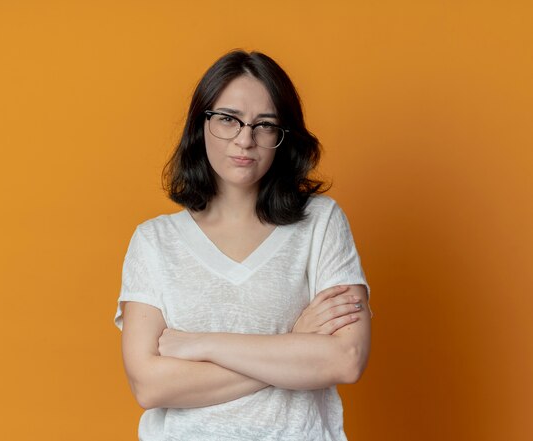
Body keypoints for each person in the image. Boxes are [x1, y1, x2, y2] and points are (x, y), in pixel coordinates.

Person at [114, 50, 371, 441]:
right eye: (229, 119)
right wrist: (294, 348)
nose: (245, 139)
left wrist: (200, 345)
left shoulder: (321, 222)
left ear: (282, 137)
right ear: (201, 124)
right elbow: (151, 386)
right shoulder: (154, 242)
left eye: (264, 125)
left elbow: (346, 359)